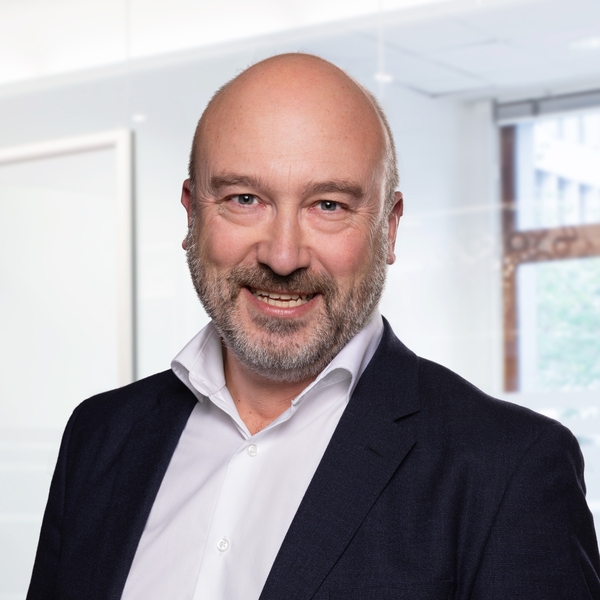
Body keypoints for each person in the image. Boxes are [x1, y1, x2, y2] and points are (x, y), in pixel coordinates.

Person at [27, 53, 600, 600]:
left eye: (328, 205)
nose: (282, 256)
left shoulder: (508, 469)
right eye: (245, 198)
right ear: (192, 213)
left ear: (389, 228)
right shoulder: (99, 438)